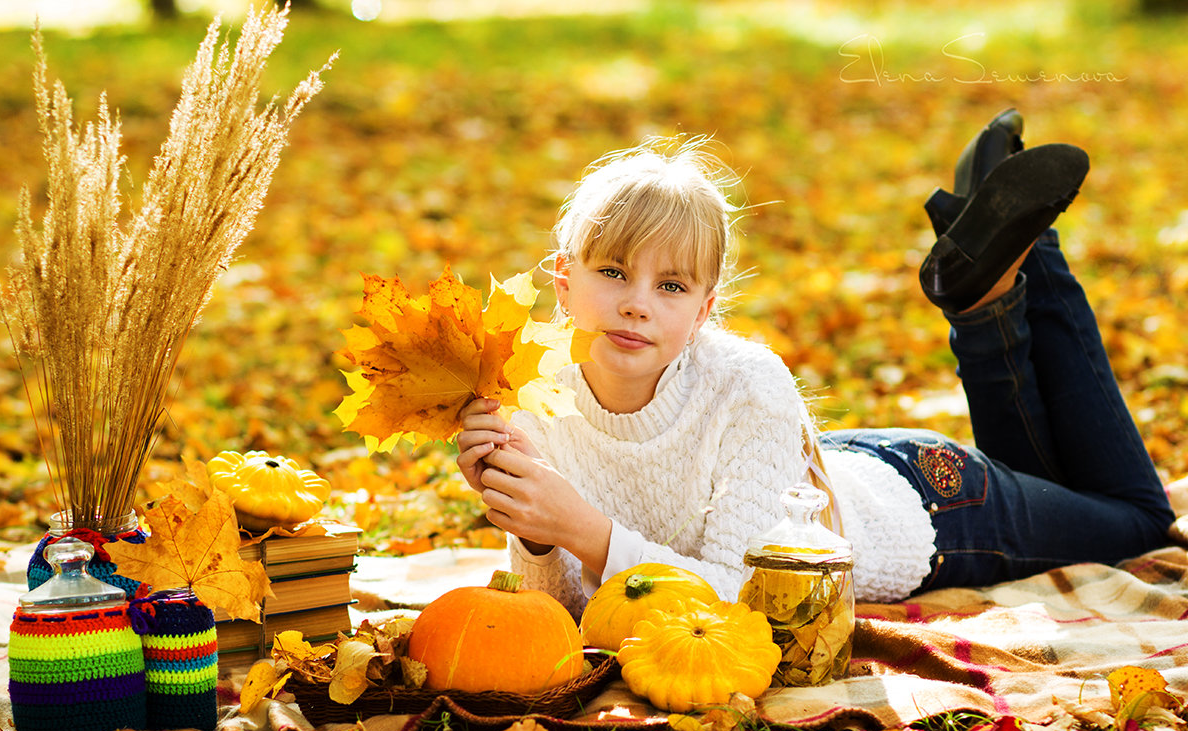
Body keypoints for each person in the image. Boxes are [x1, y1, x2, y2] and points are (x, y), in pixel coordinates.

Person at [455, 115, 1175, 618]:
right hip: (820, 468)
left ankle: (1027, 254)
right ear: (563, 281)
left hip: (932, 510)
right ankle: (989, 295)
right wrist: (535, 528)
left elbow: (750, 593)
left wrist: (587, 532)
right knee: (1067, 491)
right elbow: (557, 618)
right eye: (614, 271)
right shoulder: (532, 399)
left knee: (1139, 521)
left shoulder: (746, 380)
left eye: (670, 285)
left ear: (704, 310)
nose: (638, 304)